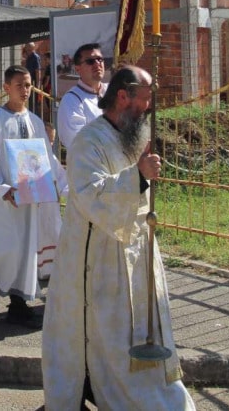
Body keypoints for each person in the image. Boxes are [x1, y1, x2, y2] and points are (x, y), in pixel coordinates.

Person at [42, 66, 197, 410]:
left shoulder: (132, 135)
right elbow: (88, 195)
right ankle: (102, 391)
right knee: (105, 335)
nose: (149, 106)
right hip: (97, 259)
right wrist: (138, 178)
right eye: (144, 98)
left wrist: (143, 178)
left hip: (137, 250)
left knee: (139, 329)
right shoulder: (89, 141)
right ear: (123, 97)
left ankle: (141, 391)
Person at [0, 65, 56, 328]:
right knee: (6, 249)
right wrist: (1, 189)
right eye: (19, 85)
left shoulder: (34, 121)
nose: (25, 90)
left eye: (29, 84)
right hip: (5, 200)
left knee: (26, 251)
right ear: (7, 88)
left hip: (29, 197)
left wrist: (49, 183)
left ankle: (18, 304)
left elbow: (44, 156)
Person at [44, 42, 108, 278]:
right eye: (90, 61)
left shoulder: (112, 94)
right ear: (78, 68)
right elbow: (79, 142)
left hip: (115, 182)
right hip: (88, 183)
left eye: (100, 60)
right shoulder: (72, 101)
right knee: (86, 245)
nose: (97, 65)